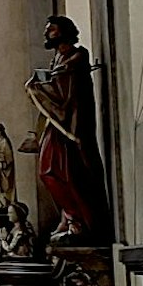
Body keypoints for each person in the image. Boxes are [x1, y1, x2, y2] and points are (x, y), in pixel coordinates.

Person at [21, 16, 109, 243]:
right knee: (48, 171)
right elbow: (56, 81)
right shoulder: (58, 58)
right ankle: (70, 215)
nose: (46, 33)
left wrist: (38, 87)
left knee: (69, 172)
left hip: (72, 124)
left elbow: (65, 92)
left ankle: (82, 222)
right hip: (57, 123)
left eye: (51, 29)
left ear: (64, 31)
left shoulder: (78, 55)